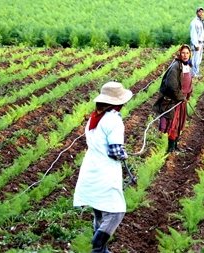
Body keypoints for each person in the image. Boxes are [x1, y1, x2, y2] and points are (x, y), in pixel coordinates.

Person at [73, 81, 132, 253]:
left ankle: (102, 249)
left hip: (91, 168)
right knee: (116, 212)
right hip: (105, 171)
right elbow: (114, 151)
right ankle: (97, 247)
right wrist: (123, 153)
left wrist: (118, 148)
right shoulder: (114, 120)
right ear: (118, 102)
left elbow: (102, 142)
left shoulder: (95, 117)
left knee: (99, 210)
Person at [152, 44, 193, 153]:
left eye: (187, 53)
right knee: (173, 125)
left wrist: (187, 96)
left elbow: (188, 83)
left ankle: (175, 146)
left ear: (190, 54)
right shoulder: (176, 67)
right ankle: (171, 149)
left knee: (179, 124)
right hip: (174, 101)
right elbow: (171, 86)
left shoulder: (187, 65)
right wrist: (181, 97)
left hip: (181, 101)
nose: (185, 55)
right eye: (183, 53)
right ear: (180, 53)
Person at [190, 6, 204, 78]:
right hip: (197, 43)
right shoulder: (194, 22)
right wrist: (195, 44)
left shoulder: (202, 21)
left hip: (202, 42)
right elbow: (193, 34)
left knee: (199, 59)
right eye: (199, 11)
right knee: (195, 59)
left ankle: (197, 72)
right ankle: (193, 73)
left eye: (202, 12)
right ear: (197, 13)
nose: (201, 13)